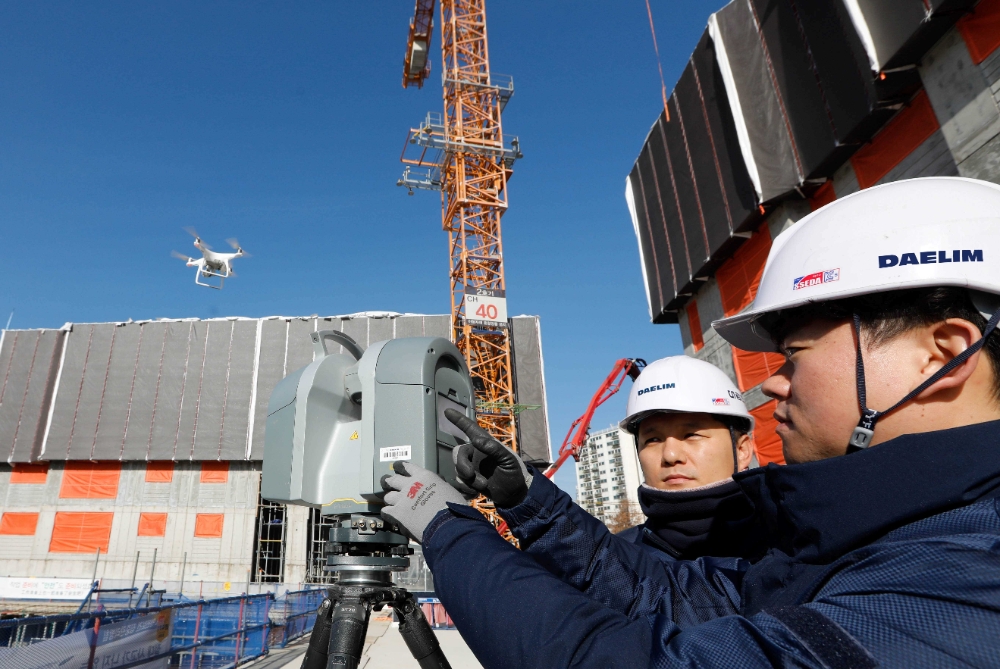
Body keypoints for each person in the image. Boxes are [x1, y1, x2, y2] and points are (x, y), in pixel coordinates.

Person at [380, 177, 1000, 668]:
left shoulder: (961, 583)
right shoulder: (849, 542)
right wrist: (527, 501)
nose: (774, 382)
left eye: (796, 354)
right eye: (652, 438)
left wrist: (449, 531)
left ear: (940, 355)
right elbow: (669, 598)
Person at [614, 355, 765, 561]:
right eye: (653, 439)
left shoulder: (792, 541)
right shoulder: (616, 561)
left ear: (742, 450)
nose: (670, 455)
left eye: (691, 435)